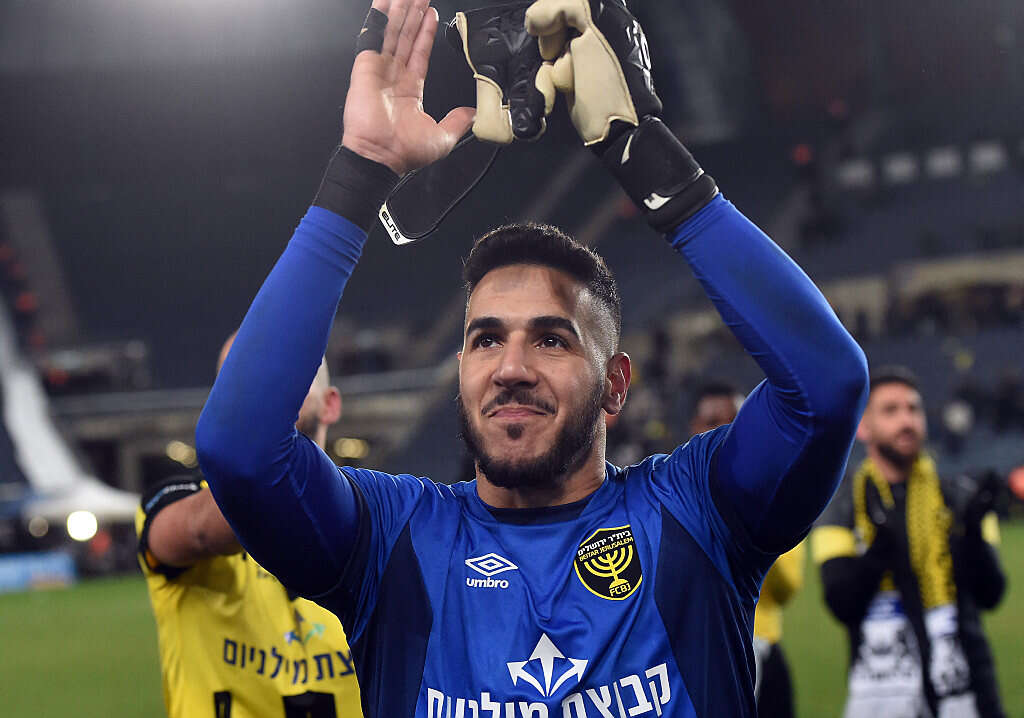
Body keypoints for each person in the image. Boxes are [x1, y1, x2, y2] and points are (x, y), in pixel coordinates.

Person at [196, 1, 869, 716]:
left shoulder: (695, 513)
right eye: (485, 339)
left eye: (551, 339)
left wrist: (649, 159)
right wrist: (360, 172)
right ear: (461, 371)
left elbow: (825, 388)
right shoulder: (394, 541)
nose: (510, 367)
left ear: (615, 384)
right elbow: (239, 449)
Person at [136, 335, 361, 718]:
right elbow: (195, 530)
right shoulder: (180, 505)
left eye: (291, 367)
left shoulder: (376, 520)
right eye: (240, 376)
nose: (266, 384)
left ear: (330, 404)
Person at [811, 367, 1007, 718]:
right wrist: (880, 550)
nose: (907, 420)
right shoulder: (841, 505)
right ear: (863, 427)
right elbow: (841, 603)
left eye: (913, 409)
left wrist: (973, 535)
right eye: (891, 410)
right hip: (882, 691)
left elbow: (992, 594)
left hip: (968, 690)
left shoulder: (960, 497)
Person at [689, 381, 805, 718]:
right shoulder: (669, 497)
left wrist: (758, 534)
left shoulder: (775, 493)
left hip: (761, 645)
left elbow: (787, 588)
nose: (724, 431)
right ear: (694, 428)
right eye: (713, 422)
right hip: (696, 653)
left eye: (735, 420)